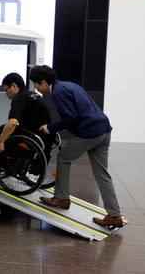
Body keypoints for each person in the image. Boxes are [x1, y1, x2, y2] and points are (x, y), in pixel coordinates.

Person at [29, 65, 124, 228]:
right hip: (104, 130)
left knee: (63, 158)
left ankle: (61, 198)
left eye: (36, 84)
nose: (35, 88)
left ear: (44, 82)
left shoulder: (58, 93)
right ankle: (114, 215)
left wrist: (50, 127)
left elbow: (71, 118)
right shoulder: (69, 85)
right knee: (102, 173)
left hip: (90, 132)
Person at [0, 72, 53, 156]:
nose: (6, 94)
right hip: (47, 137)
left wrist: (0, 143)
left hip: (35, 136)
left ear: (14, 86)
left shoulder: (19, 98)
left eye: (6, 89)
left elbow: (12, 123)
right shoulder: (33, 94)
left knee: (2, 130)